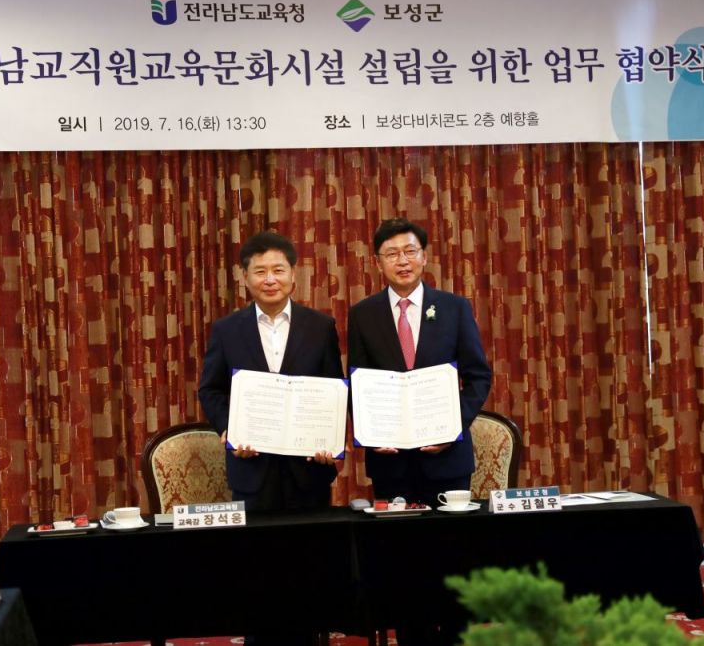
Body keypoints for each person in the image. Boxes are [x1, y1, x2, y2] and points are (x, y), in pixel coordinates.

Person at [347, 218, 493, 645]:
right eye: (392, 254)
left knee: (453, 561)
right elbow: (358, 383)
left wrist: (452, 426)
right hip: (392, 464)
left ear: (424, 256)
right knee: (403, 565)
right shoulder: (363, 314)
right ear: (378, 263)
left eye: (410, 251)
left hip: (446, 459)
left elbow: (478, 376)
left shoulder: (454, 308)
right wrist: (372, 432)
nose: (403, 260)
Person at [199, 230, 343, 512]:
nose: (269, 280)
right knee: (256, 542)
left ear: (293, 274)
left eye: (278, 270)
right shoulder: (227, 330)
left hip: (309, 470)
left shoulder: (321, 327)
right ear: (245, 277)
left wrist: (332, 438)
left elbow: (334, 388)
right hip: (251, 468)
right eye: (260, 271)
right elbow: (210, 389)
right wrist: (230, 428)